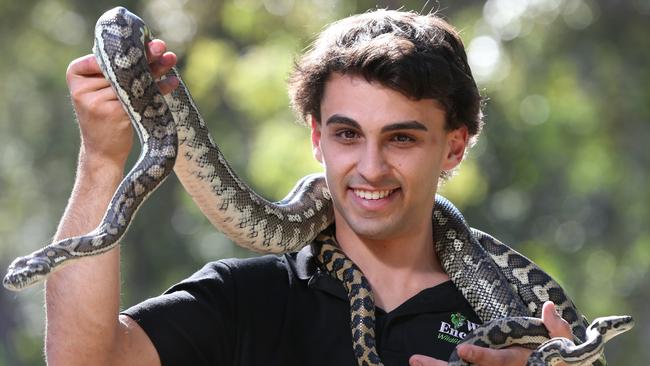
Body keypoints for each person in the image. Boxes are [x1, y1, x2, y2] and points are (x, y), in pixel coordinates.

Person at [46, 9, 574, 366]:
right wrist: (101, 158)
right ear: (318, 139)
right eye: (348, 134)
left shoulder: (524, 325)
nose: (371, 167)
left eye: (402, 139)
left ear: (454, 148)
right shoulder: (249, 298)